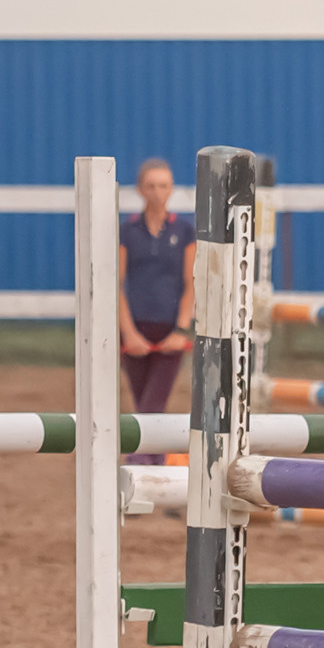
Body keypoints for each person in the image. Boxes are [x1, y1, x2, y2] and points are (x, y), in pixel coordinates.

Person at [118, 157, 194, 462]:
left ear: (171, 188)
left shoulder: (185, 231)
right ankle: (160, 473)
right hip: (134, 329)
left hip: (170, 332)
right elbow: (116, 284)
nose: (157, 192)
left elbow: (192, 285)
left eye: (163, 185)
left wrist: (181, 330)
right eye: (150, 186)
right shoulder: (127, 231)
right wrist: (128, 333)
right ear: (139, 189)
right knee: (147, 407)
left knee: (151, 406)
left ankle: (133, 467)